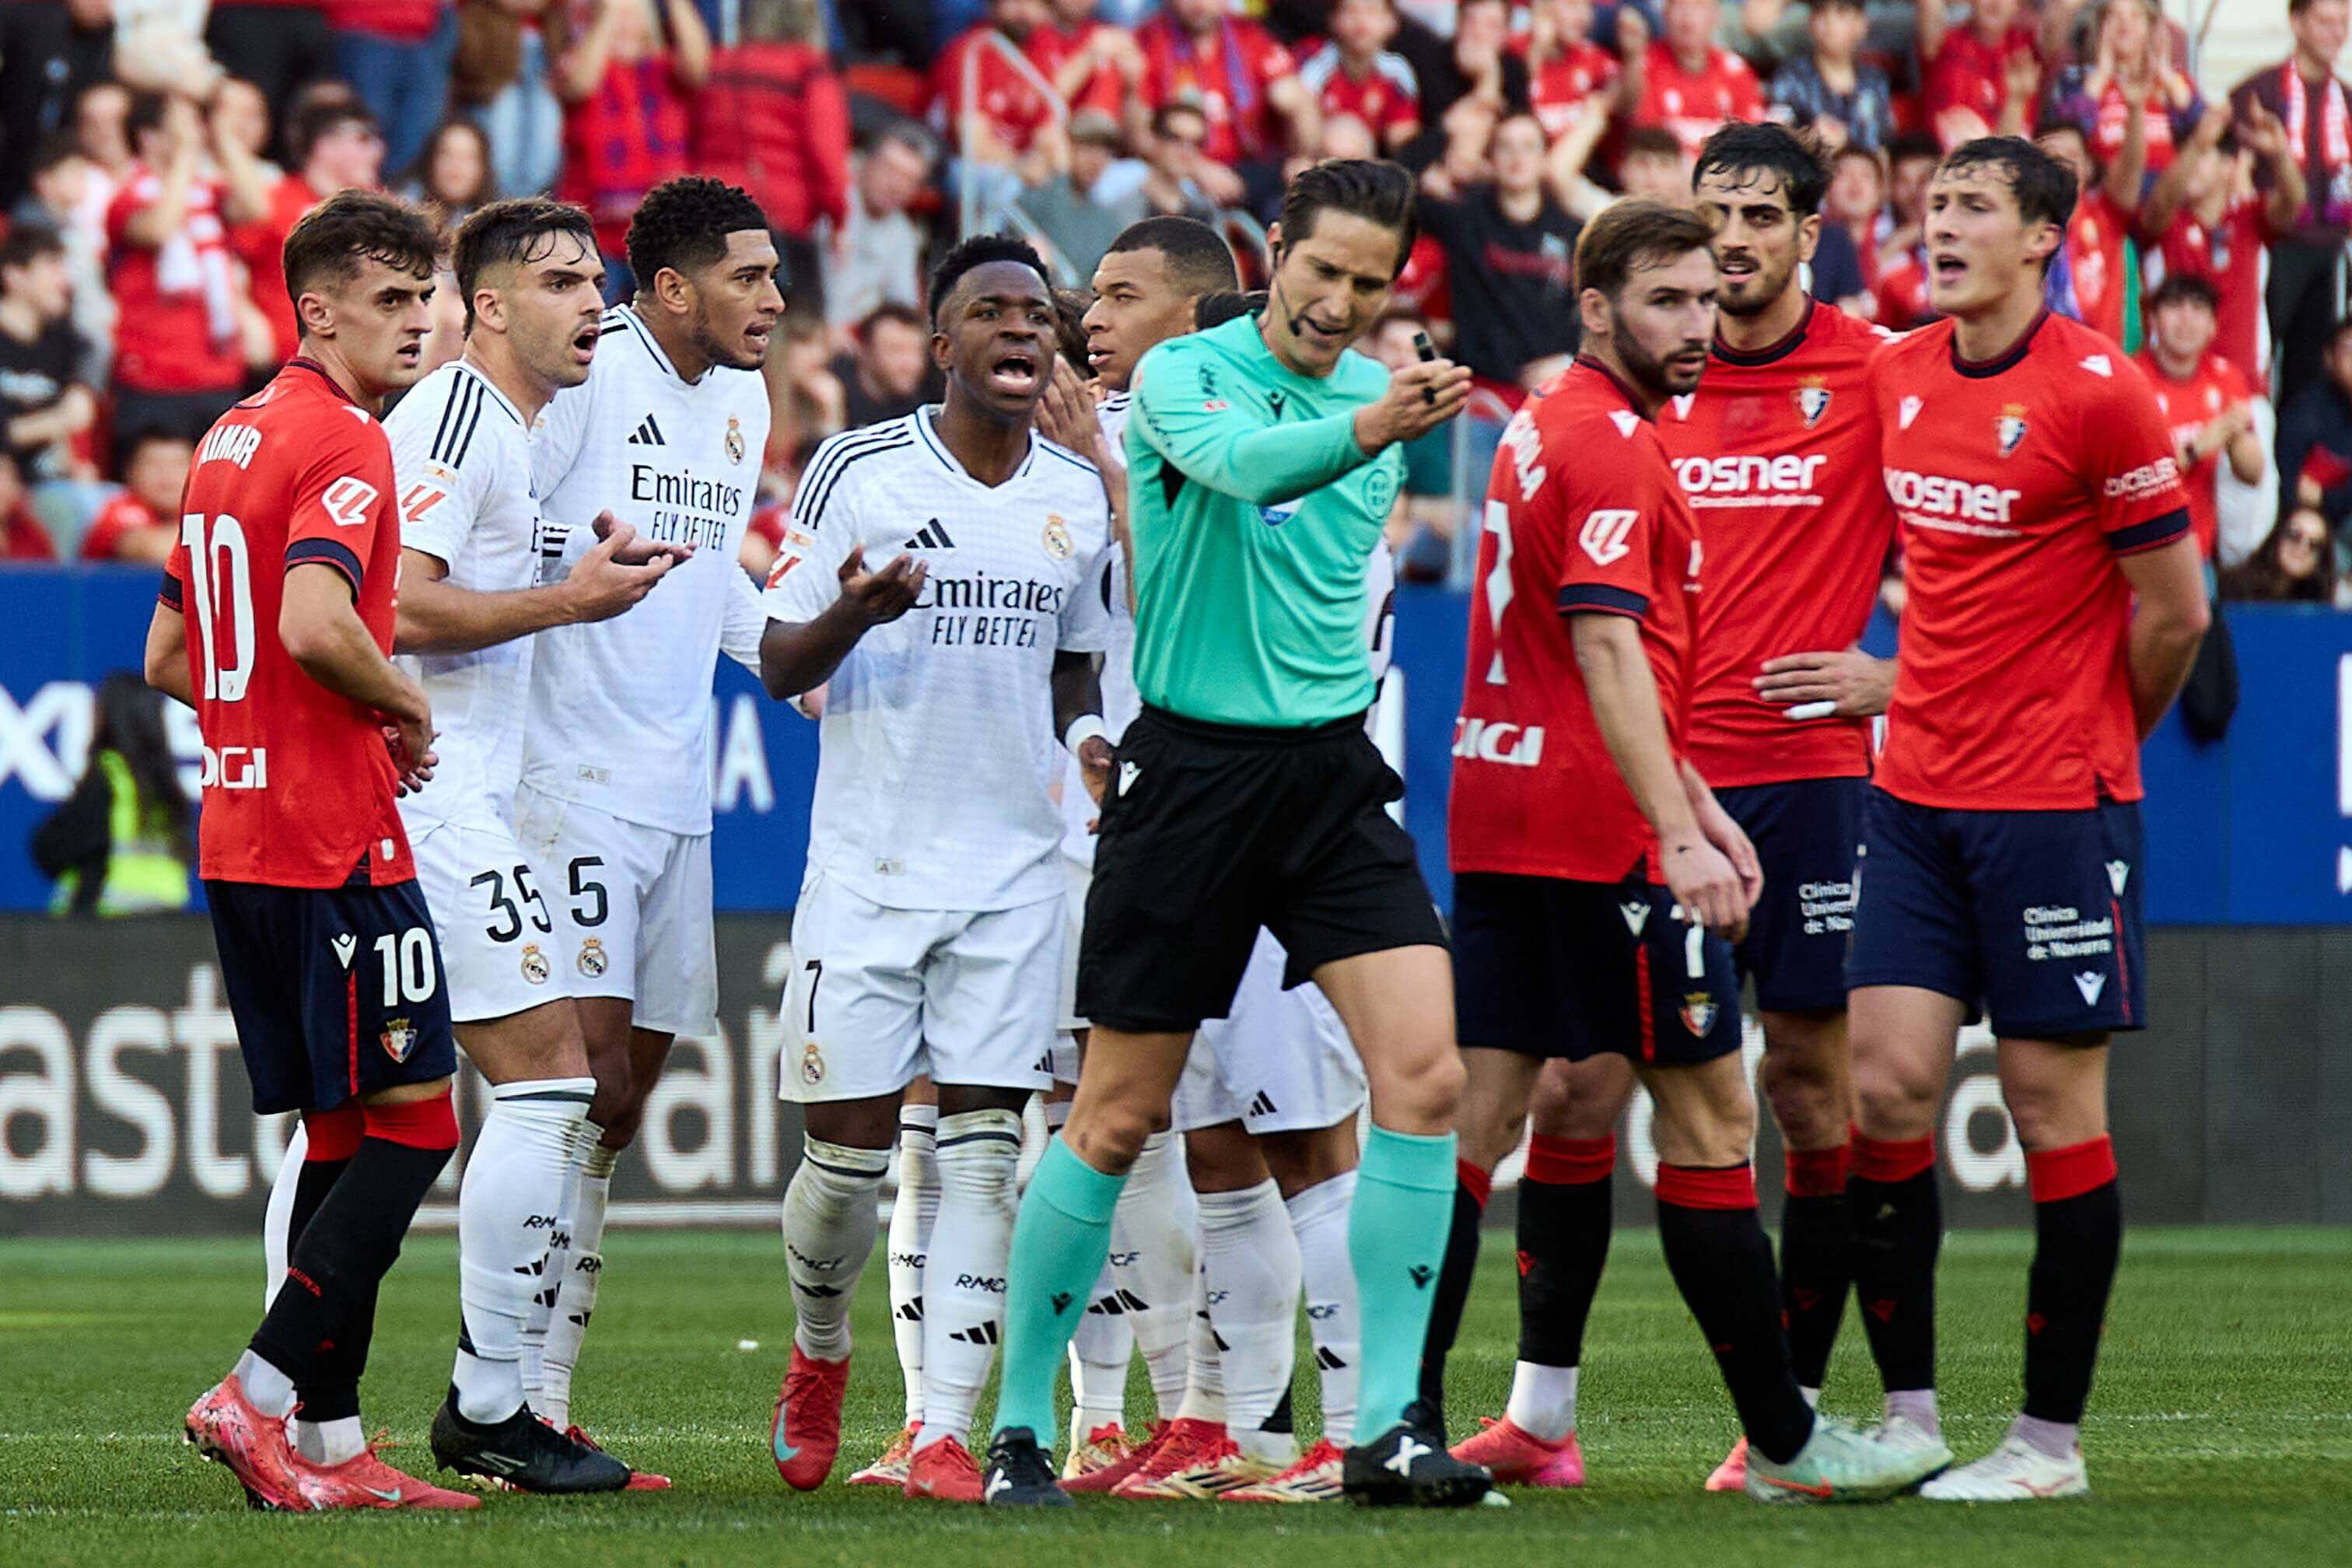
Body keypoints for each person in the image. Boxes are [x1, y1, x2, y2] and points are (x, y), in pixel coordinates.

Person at [978, 158, 1480, 1510]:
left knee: (1422, 1082)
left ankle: (1385, 1430)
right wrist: (1373, 427)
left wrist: (1373, 425)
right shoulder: (1191, 378)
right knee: (1114, 1115)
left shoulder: (1371, 408)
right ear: (1271, 252)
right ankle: (1023, 1423)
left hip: (1322, 777)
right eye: (1319, 271)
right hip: (1190, 775)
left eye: (1368, 284)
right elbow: (1246, 470)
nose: (1337, 300)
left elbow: (1311, 556)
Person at [1426, 195, 1937, 1505]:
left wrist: (1689, 792)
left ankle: (1403, 1422)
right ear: (1591, 306)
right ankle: (1781, 1439)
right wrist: (1670, 829)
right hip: (1597, 841)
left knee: (1476, 1123)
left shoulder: (1536, 429)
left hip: (1500, 814)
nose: (1695, 327)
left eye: (1705, 299)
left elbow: (1568, 657)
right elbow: (1602, 646)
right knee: (1710, 1117)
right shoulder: (1612, 448)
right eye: (1664, 300)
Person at [1853, 135, 2207, 1502]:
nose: (1937, 226)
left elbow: (2173, 613)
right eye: (1931, 202)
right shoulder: (1892, 374)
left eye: (1971, 209)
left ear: (2041, 239)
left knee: (2052, 1105)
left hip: (2055, 806)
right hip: (1912, 794)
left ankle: (2045, 1446)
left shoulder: (2100, 396)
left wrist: (2092, 729)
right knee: (1881, 1087)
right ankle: (1904, 1415)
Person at [758, 234, 1113, 1504]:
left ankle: (944, 1430)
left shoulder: (1069, 493)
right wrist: (857, 612)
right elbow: (777, 660)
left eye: (1037, 315)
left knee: (977, 1146)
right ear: (940, 338)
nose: (1022, 331)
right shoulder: (856, 469)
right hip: (867, 870)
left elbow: (1075, 658)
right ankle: (817, 1346)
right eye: (991, 313)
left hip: (1013, 871)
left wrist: (1086, 740)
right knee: (845, 1167)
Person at [149, 189, 479, 1514]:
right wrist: (397, 705)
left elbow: (176, 655)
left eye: (424, 297)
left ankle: (331, 1447)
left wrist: (297, 718)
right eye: (388, 300)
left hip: (238, 833)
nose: (415, 322)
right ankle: (261, 1389)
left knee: (344, 1131)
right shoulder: (346, 440)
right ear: (318, 309)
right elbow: (310, 621)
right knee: (421, 1124)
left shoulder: (229, 434)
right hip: (334, 842)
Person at [1067, 271, 1391, 1509]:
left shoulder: (1300, 465)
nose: (1098, 321)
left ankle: (1355, 1430)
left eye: (1128, 296)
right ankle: (1235, 1423)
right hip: (1191, 826)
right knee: (1214, 1145)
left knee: (1310, 1138)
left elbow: (1211, 587)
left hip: (1284, 822)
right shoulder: (1183, 465)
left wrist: (1117, 469)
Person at [372, 196, 681, 1493]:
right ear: (487, 305)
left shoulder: (512, 433)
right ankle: (490, 1403)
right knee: (552, 1085)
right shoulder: (456, 410)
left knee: (361, 1119)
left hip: (441, 797)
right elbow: (395, 597)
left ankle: (306, 1403)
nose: (590, 305)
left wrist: (569, 555)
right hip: (430, 795)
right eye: (560, 281)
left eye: (591, 281)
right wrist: (572, 596)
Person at [509, 177, 782, 1445]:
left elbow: (723, 586)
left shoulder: (743, 399)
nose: (773, 299)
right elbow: (503, 551)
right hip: (567, 786)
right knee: (577, 1085)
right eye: (748, 277)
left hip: (679, 794)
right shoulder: (582, 377)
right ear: (670, 289)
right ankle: (502, 1391)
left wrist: (813, 666)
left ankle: (544, 1403)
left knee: (617, 1113)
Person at [106, 92, 248, 445]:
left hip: (217, 373)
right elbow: (159, 228)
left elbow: (255, 206)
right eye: (183, 125)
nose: (194, 132)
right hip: (152, 377)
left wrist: (225, 140)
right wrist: (185, 156)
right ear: (149, 136)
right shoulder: (128, 197)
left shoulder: (207, 194)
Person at [2229, 0, 2351, 407]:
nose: (2336, 33)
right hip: (2272, 249)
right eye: (2324, 22)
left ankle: (2296, 461)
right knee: (2260, 357)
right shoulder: (2258, 92)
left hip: (2330, 250)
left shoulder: (2347, 100)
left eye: (2343, 23)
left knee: (2312, 371)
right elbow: (2231, 169)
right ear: (2296, 23)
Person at [2140, 104, 2305, 399]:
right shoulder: (2167, 220)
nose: (2189, 164)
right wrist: (2197, 145)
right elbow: (2162, 201)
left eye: (2203, 154)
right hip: (2171, 386)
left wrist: (2280, 154)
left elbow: (2293, 203)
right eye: (2184, 155)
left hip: (2244, 390)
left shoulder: (2249, 217)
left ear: (2230, 166)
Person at [551, 0, 712, 295]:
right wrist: (606, 18)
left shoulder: (664, 70)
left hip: (660, 236)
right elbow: (580, 84)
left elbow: (699, 66)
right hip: (596, 238)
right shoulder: (581, 67)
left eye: (631, 17)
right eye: (616, 18)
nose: (623, 25)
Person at [223, 100, 387, 369]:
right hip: (284, 364)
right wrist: (246, 316)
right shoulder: (275, 202)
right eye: (363, 139)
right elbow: (231, 262)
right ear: (326, 145)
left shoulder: (379, 210)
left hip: (358, 367)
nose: (377, 150)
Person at [33, 671, 192, 918]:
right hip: (166, 925)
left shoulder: (109, 777)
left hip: (106, 929)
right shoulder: (168, 788)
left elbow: (49, 847)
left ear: (110, 717)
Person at [2139, 274, 2264, 563]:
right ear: (2153, 319)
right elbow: (2138, 478)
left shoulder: (2225, 376)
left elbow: (2253, 474)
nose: (2186, 320)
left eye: (2198, 309)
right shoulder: (2131, 379)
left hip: (2198, 551)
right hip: (2139, 556)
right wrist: (2199, 446)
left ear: (2213, 326)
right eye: (2174, 307)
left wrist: (2238, 436)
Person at [2046, 0, 2200, 182]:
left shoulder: (2174, 81)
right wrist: (2101, 75)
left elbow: (2203, 134)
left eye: (2135, 15)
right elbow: (2067, 136)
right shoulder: (2078, 81)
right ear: (2101, 25)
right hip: (2105, 192)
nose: (2125, 23)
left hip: (2164, 195)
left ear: (2151, 26)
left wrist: (2166, 77)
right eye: (2114, 15)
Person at [0, 225, 100, 492]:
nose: (64, 281)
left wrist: (84, 388)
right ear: (15, 275)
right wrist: (61, 419)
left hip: (54, 482)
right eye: (52, 267)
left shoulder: (63, 342)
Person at [1626, 0, 1766, 168]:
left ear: (1716, 16)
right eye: (1679, 6)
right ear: (1665, 14)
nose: (1687, 18)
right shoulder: (1644, 67)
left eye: (1697, 8)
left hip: (1722, 184)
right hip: (1661, 182)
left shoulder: (1736, 71)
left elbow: (1752, 143)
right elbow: (1647, 142)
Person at [824, 124, 933, 331]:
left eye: (909, 180)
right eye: (890, 169)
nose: (896, 185)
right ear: (866, 161)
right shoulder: (832, 202)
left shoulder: (903, 234)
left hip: (857, 340)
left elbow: (903, 306)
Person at [1297, 0, 1422, 156]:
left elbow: (1403, 139)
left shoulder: (1397, 71)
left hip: (1368, 163)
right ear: (1334, 19)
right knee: (1343, 138)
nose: (1361, 22)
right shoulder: (1314, 61)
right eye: (1350, 11)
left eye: (1372, 11)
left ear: (1392, 21)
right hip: (1319, 162)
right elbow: (1301, 134)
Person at [1769, 0, 1893, 154]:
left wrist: (1848, 143)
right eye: (1821, 12)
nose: (1829, 22)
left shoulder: (1875, 80)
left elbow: (1882, 143)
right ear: (1811, 22)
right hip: (1811, 170)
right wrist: (1809, 137)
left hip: (1863, 171)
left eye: (1841, 12)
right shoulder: (1791, 75)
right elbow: (1776, 133)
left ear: (1862, 24)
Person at [2273, 320, 2352, 531]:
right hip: (2310, 526)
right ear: (2329, 358)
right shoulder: (2306, 412)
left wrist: (2325, 498)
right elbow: (2290, 489)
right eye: (2349, 349)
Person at [81, 432, 191, 563]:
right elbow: (153, 550)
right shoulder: (121, 509)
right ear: (131, 471)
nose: (167, 475)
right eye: (154, 464)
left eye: (178, 464)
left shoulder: (192, 510)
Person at [2222, 508, 2334, 601]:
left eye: (2314, 545)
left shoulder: (2323, 606)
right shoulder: (2235, 585)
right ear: (2278, 537)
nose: (2302, 547)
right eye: (2294, 535)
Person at [404, 118, 495, 230]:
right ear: (430, 159)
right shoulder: (404, 212)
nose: (456, 165)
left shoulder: (493, 229)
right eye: (446, 154)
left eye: (467, 157)